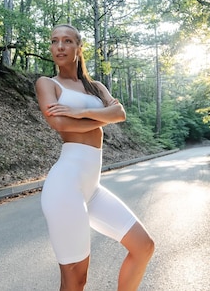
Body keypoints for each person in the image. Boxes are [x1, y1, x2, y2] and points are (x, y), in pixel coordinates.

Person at [35, 24, 154, 291]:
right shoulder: (48, 84)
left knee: (144, 246)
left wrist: (77, 114)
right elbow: (60, 125)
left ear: (79, 47)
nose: (60, 47)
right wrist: (100, 118)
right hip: (65, 186)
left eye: (67, 41)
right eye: (54, 41)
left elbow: (120, 114)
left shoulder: (96, 87)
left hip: (92, 187)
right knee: (75, 280)